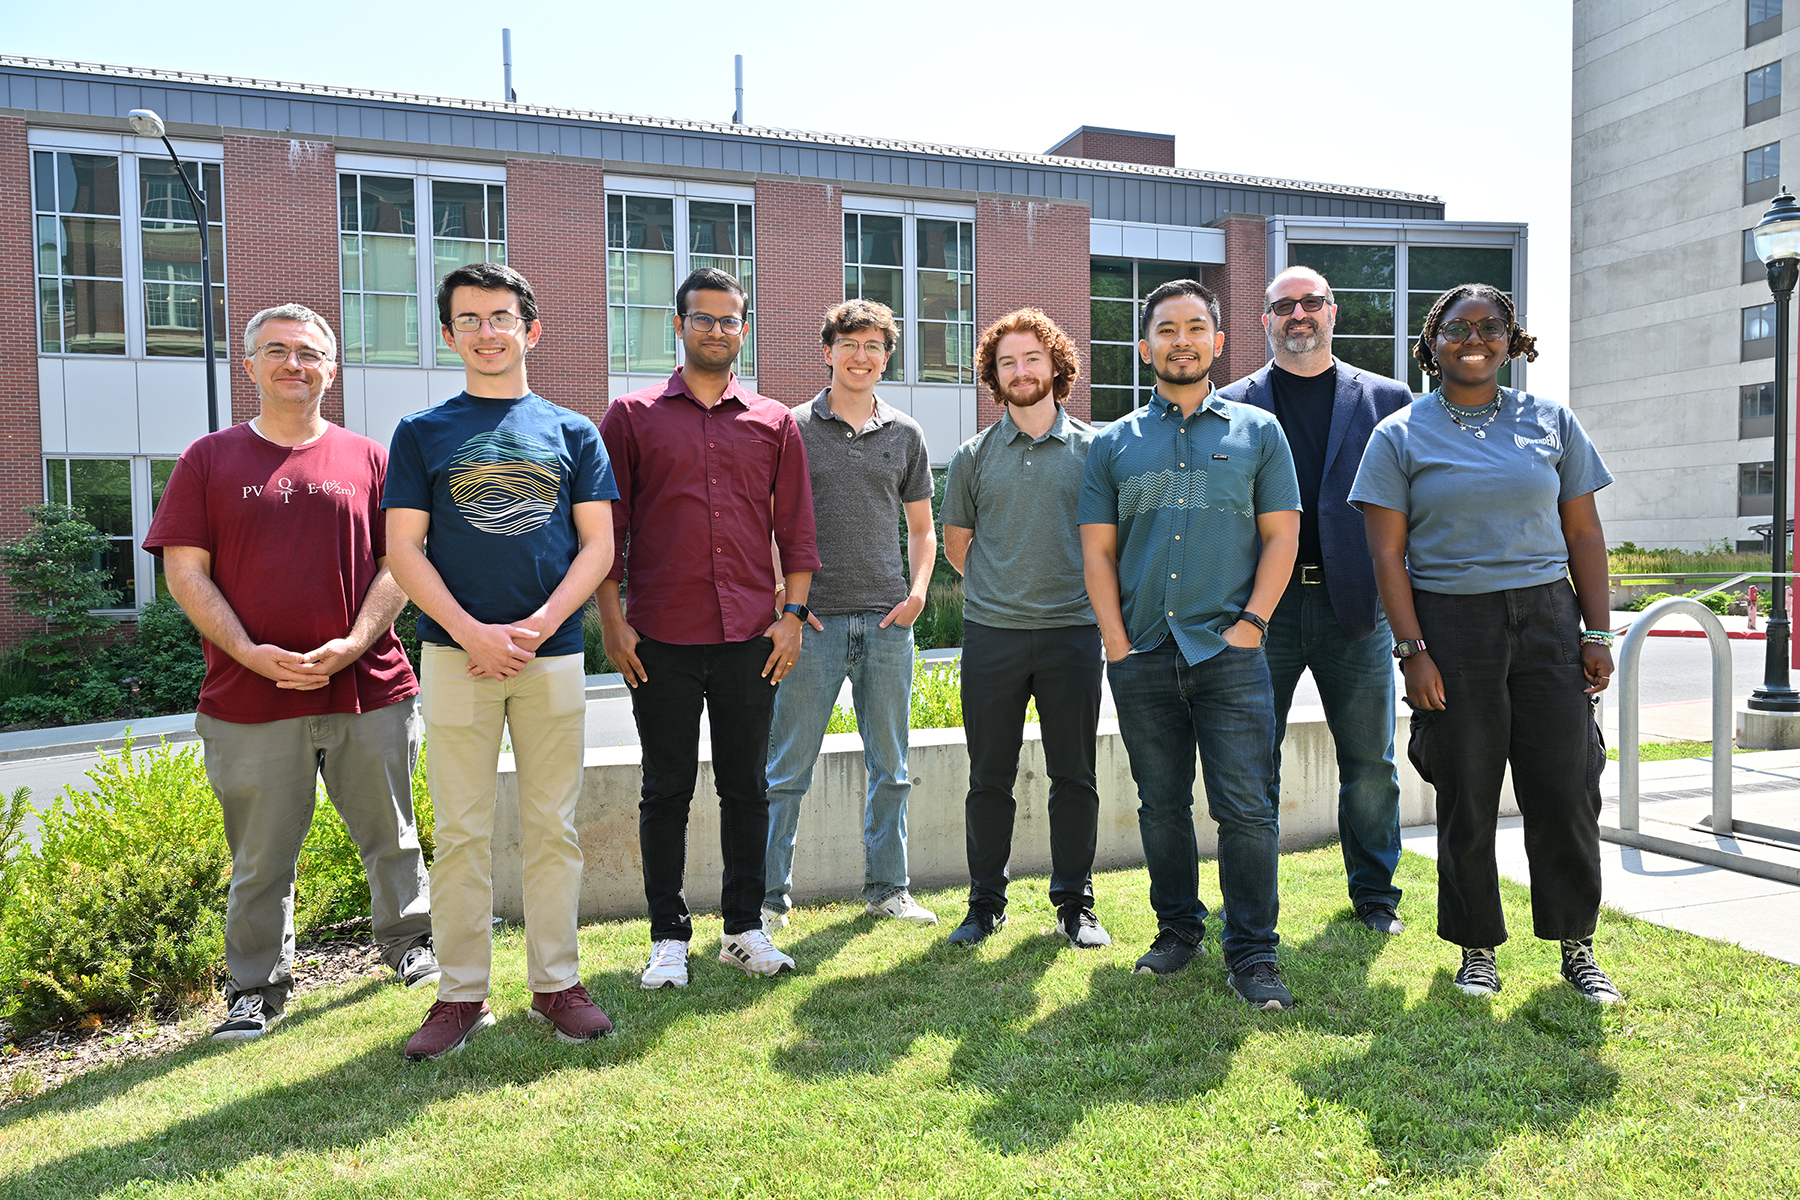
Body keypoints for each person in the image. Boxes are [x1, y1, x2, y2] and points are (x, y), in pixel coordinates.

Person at [147, 303, 436, 1043]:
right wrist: (248, 651)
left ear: (331, 370)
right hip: (248, 697)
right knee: (259, 858)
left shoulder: (371, 459)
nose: (293, 364)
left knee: (393, 836)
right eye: (275, 351)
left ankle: (412, 948)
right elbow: (185, 573)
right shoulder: (207, 460)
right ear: (249, 367)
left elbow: (399, 564)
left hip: (368, 688)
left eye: (309, 353)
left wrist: (352, 644)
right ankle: (254, 989)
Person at [1349, 282, 1623, 1004]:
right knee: (1467, 792)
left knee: (1565, 790)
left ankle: (1576, 944)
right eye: (1458, 330)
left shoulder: (1551, 422)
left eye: (1491, 327)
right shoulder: (1400, 435)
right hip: (1452, 625)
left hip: (1549, 622)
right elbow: (1386, 557)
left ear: (1512, 339)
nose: (1475, 339)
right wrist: (1413, 652)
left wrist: (1595, 631)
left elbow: (1584, 534)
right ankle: (1477, 947)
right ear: (1432, 346)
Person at [385, 263, 620, 1060]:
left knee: (553, 827)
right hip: (455, 657)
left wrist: (539, 623)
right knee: (459, 834)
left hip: (551, 656)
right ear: (449, 335)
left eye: (501, 316)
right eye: (470, 319)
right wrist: (471, 631)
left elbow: (598, 545)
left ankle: (556, 987)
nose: (488, 331)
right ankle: (460, 997)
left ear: (531, 329)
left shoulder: (573, 431)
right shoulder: (421, 433)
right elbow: (404, 550)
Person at [1080, 279, 1303, 1009]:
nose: (1182, 340)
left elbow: (1281, 537)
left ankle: (1253, 953)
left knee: (1246, 808)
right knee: (1161, 805)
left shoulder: (1258, 433)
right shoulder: (1113, 443)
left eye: (1196, 327)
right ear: (1145, 347)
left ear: (1218, 340)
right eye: (1167, 329)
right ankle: (1177, 930)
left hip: (1229, 654)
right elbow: (1098, 553)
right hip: (1141, 653)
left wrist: (1253, 627)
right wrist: (1116, 643)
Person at [599, 266, 820, 989]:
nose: (718, 331)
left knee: (746, 787)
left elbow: (797, 530)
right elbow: (609, 531)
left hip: (749, 641)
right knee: (664, 789)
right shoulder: (631, 418)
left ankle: (743, 929)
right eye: (704, 319)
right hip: (658, 636)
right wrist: (613, 621)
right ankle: (667, 937)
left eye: (730, 321)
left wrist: (791, 618)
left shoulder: (773, 420)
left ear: (743, 330)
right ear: (678, 325)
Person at [1217, 266, 1410, 934]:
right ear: (1265, 318)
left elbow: (1412, 507)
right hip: (1258, 612)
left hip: (1356, 607)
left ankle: (1376, 897)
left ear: (1333, 311)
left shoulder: (1388, 399)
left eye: (1310, 303)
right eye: (1283, 306)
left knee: (1370, 763)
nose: (1298, 315)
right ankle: (1251, 901)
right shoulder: (1232, 404)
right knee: (1250, 765)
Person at [762, 299, 938, 929]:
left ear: (887, 357)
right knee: (787, 769)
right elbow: (768, 522)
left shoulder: (907, 434)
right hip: (812, 624)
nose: (862, 356)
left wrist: (917, 592)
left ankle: (890, 889)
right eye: (850, 343)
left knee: (890, 767)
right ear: (828, 350)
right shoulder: (791, 428)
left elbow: (922, 530)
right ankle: (768, 901)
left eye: (874, 346)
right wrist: (788, 598)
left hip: (888, 624)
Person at [939, 308, 1109, 951]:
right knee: (988, 775)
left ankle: (1076, 904)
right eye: (1006, 362)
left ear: (1056, 367)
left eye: (1031, 358)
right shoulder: (973, 456)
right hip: (994, 634)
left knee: (1075, 774)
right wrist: (1005, 584)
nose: (1020, 371)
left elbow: (1111, 545)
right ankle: (985, 903)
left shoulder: (1097, 450)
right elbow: (959, 545)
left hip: (1072, 632)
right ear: (993, 375)